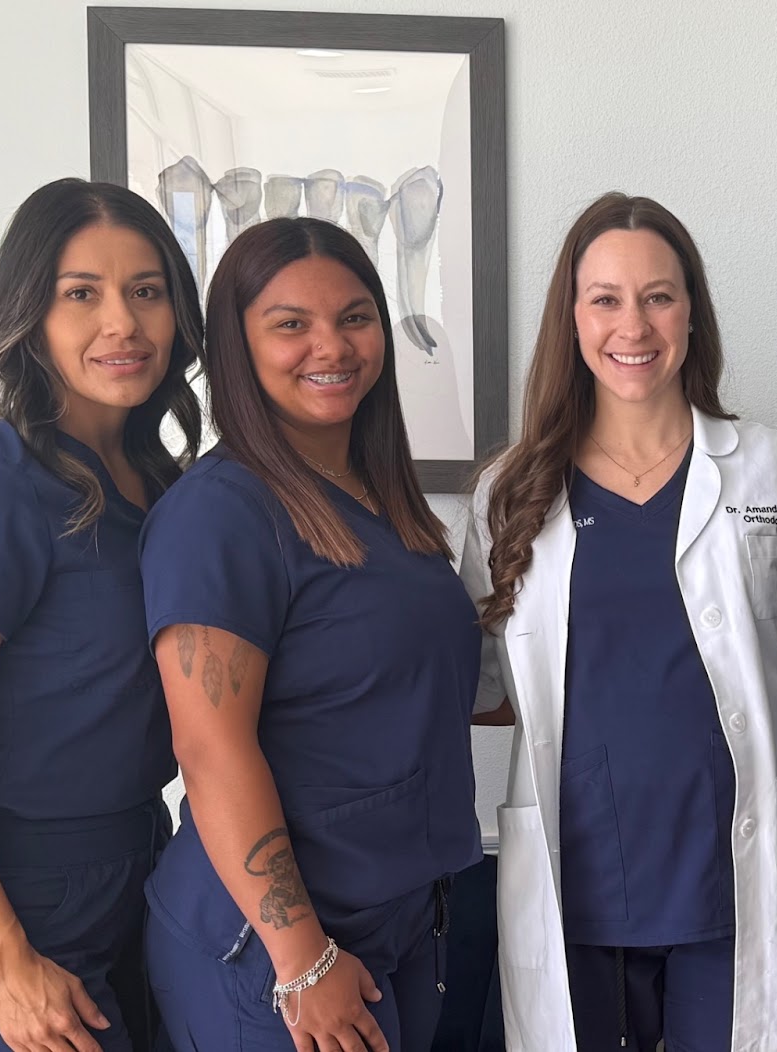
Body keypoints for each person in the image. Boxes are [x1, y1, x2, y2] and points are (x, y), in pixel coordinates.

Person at [459, 192, 777, 1051]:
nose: (632, 325)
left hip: (733, 872)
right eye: (604, 298)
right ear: (571, 317)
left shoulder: (765, 465)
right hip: (587, 877)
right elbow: (482, 683)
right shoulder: (510, 491)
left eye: (658, 296)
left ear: (691, 312)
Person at [137, 217, 481, 1052]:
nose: (331, 344)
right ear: (236, 347)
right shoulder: (221, 513)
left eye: (356, 316)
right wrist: (301, 959)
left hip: (399, 915)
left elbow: (407, 688)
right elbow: (209, 747)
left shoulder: (382, 502)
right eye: (290, 323)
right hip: (273, 950)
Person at [0, 177, 203, 1052]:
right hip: (7, 895)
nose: (123, 324)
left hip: (139, 871)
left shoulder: (162, 487)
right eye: (81, 294)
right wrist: (6, 958)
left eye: (146, 291)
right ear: (30, 312)